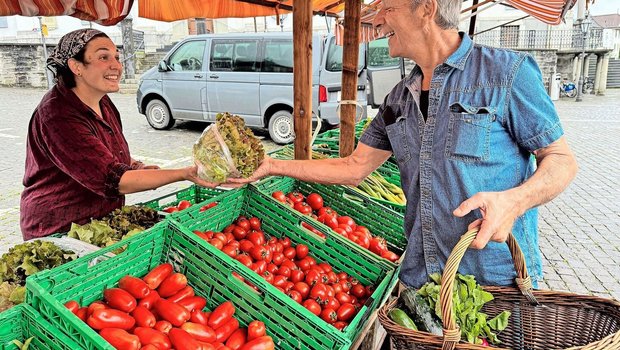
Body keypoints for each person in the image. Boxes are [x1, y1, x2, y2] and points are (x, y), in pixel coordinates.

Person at [230, 0, 578, 288]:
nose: (378, 19)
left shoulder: (505, 74)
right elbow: (354, 168)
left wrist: (513, 202)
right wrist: (271, 165)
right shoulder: (398, 99)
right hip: (421, 281)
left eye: (387, 8)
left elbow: (561, 160)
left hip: (495, 282)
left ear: (426, 8)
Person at [20, 29, 215, 240]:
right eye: (104, 57)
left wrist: (135, 166)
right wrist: (185, 173)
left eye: (117, 57)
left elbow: (102, 153)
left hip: (98, 221)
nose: (116, 66)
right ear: (76, 66)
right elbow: (115, 181)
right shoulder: (58, 115)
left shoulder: (101, 100)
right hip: (59, 227)